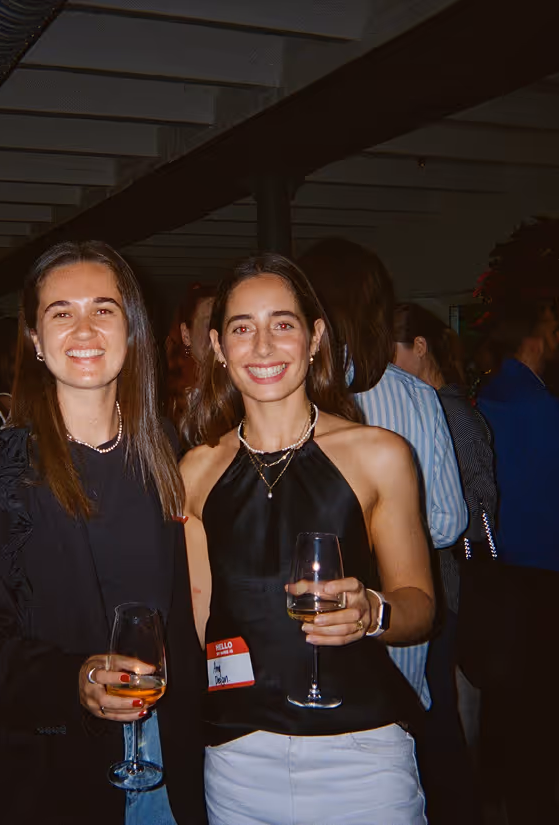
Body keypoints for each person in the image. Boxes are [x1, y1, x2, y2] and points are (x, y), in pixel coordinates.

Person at [0, 241, 207, 825]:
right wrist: (73, 678)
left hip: (168, 762)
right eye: (61, 312)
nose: (84, 328)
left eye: (103, 309)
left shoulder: (166, 450)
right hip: (51, 772)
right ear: (35, 339)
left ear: (132, 330)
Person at [181, 253, 433, 824]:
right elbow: (197, 624)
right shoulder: (194, 472)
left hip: (362, 754)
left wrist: (374, 611)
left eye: (283, 324)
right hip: (236, 757)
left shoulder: (379, 454)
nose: (263, 346)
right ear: (218, 347)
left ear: (316, 337)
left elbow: (420, 606)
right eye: (243, 328)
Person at [301, 239, 466, 722]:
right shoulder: (415, 396)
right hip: (394, 619)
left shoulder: (285, 391)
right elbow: (448, 522)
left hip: (310, 625)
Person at [473, 302, 559, 824]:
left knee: (508, 691)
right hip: (552, 564)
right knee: (550, 694)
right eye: (554, 330)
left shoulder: (488, 395)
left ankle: (500, 789)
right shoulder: (540, 403)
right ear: (533, 338)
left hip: (505, 563)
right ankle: (535, 798)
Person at [393, 302, 495, 824]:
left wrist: (454, 544)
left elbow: (480, 509)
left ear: (420, 347)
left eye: (394, 350)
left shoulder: (447, 410)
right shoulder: (427, 404)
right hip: (440, 581)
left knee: (436, 716)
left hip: (446, 582)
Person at [165, 281, 216, 450]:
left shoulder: (244, 394)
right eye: (209, 325)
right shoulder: (166, 404)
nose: (217, 335)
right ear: (186, 334)